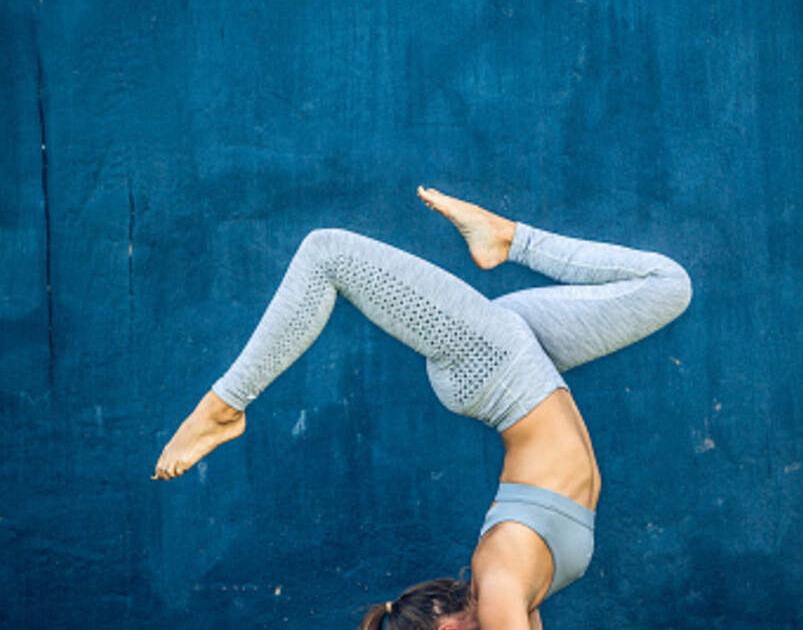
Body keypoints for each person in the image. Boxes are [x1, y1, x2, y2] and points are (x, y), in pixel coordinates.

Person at [152, 187, 691, 629]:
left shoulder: (499, 587)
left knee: (327, 253)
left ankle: (226, 405)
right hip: (525, 364)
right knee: (668, 287)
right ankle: (508, 239)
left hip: (494, 366)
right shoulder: (512, 599)